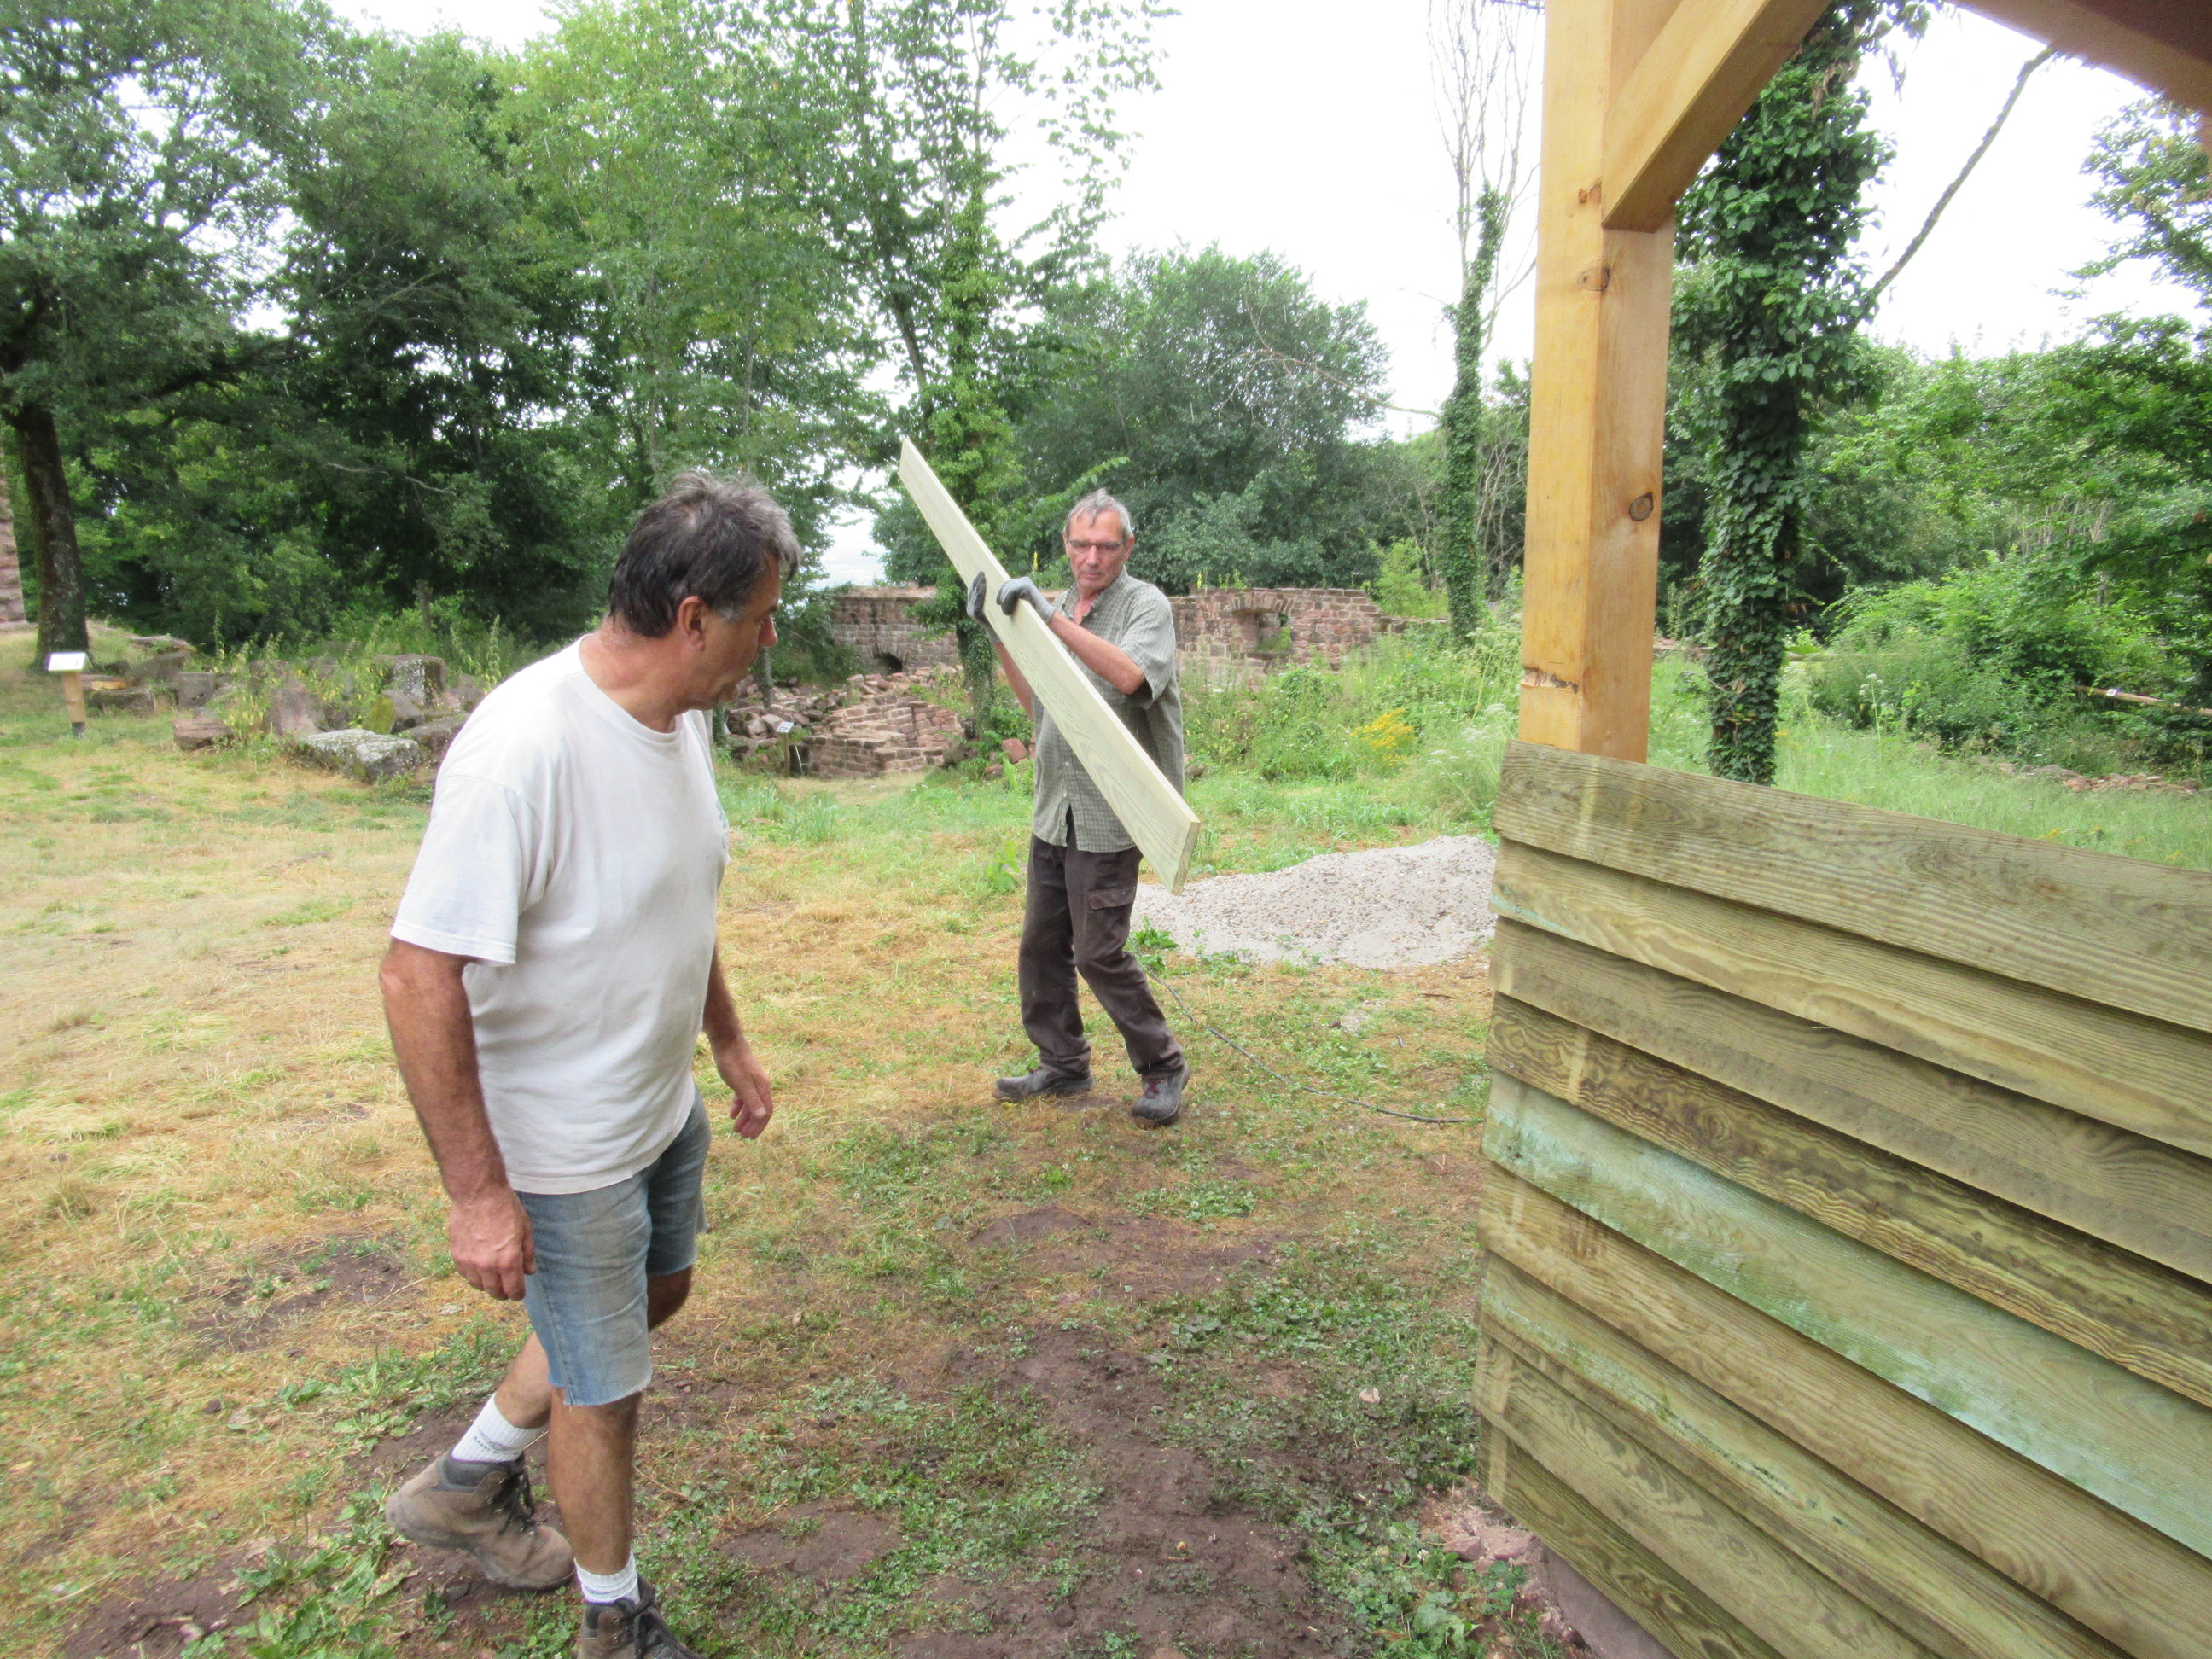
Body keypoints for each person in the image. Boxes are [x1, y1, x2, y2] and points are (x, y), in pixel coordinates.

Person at [376, 473, 795, 1659]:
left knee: (655, 1298)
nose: (770, 644)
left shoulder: (682, 715)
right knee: (604, 1389)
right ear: (694, 619)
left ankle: (465, 1482)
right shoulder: (524, 750)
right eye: (764, 619)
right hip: (565, 1146)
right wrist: (477, 1194)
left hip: (657, 1105)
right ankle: (614, 1621)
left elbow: (679, 898)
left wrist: (727, 1038)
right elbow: (415, 975)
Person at [974, 488, 1190, 1126]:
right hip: (1056, 806)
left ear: (1128, 547)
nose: (1092, 558)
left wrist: (1048, 619)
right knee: (1041, 945)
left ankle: (1163, 1066)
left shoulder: (1145, 606)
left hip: (1114, 809)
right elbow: (1039, 705)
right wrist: (1000, 633)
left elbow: (1130, 677)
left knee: (1099, 952)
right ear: (1065, 546)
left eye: (1106, 546)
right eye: (1080, 545)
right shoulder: (1061, 606)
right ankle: (1063, 1063)